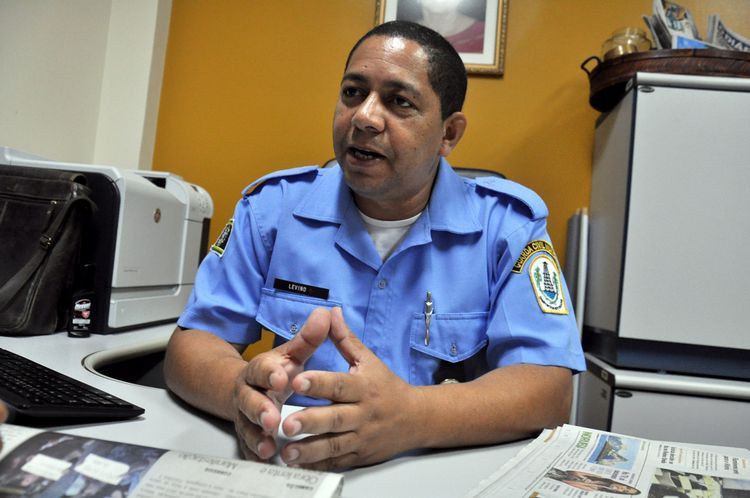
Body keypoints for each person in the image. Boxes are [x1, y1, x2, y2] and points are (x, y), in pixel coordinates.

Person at [164, 20, 585, 471]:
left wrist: (413, 416)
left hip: (431, 474)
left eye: (399, 102)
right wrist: (239, 392)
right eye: (352, 92)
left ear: (449, 134)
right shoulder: (272, 210)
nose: (364, 117)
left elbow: (548, 388)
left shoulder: (506, 229)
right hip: (291, 461)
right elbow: (194, 343)